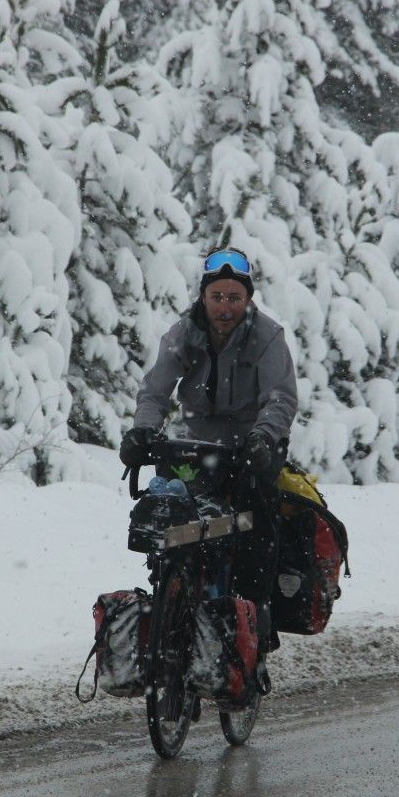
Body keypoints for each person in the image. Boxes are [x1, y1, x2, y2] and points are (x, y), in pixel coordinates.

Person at [119, 247, 298, 690]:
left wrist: (263, 439)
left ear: (247, 299)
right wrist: (142, 431)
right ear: (204, 297)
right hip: (195, 448)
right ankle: (172, 600)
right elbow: (156, 389)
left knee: (256, 527)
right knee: (170, 516)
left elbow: (281, 397)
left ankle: (257, 626)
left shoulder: (268, 337)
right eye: (217, 296)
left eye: (234, 297)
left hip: (252, 449)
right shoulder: (184, 333)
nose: (225, 306)